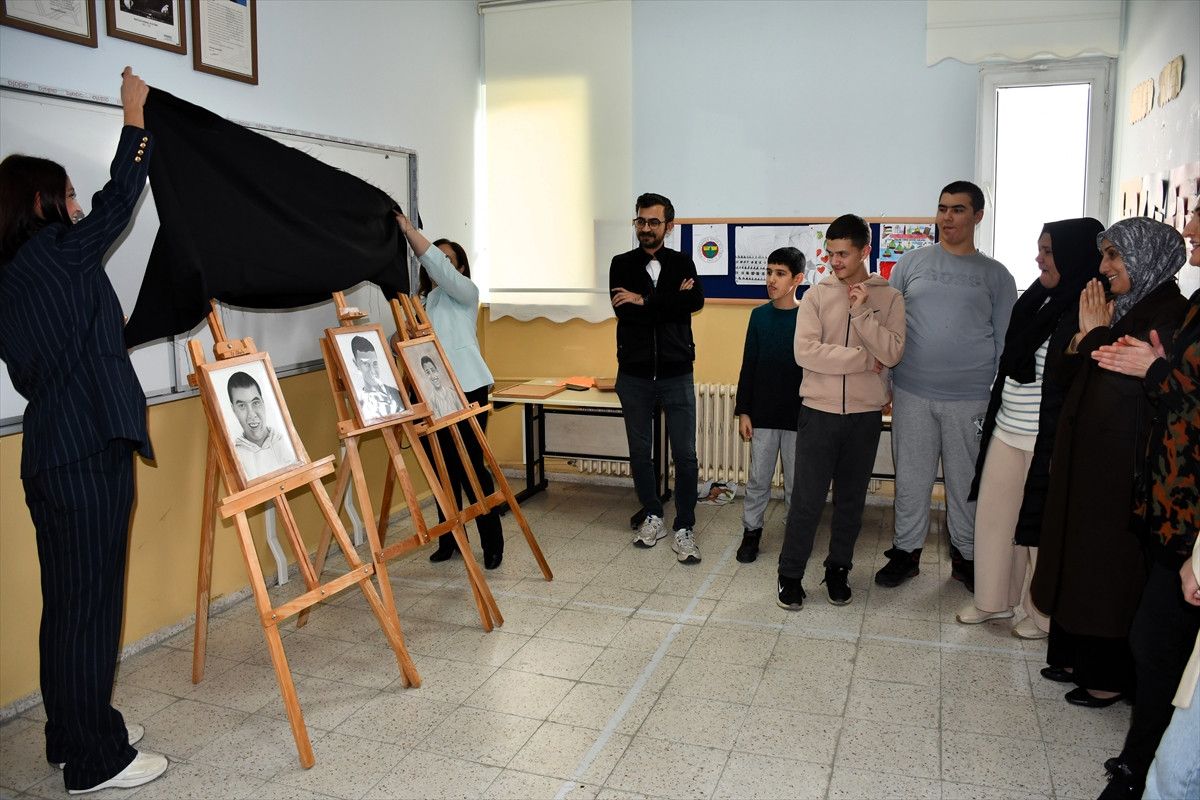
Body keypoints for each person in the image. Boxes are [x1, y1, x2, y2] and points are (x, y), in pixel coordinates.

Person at [0, 67, 168, 794]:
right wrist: (135, 120)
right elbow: (120, 199)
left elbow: (60, 351)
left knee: (70, 605)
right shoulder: (54, 252)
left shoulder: (17, 273)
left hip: (54, 453)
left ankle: (72, 733)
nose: (75, 205)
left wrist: (114, 332)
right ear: (39, 203)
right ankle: (97, 762)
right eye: (63, 193)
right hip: (85, 451)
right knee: (90, 606)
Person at [1030, 217, 1188, 714]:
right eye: (1104, 256)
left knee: (1106, 570)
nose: (1104, 268)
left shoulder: (1168, 314)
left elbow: (1124, 380)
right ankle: (1076, 657)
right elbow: (1067, 368)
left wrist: (1093, 336)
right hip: (1091, 456)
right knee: (1078, 559)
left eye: (1115, 256)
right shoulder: (1129, 306)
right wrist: (1089, 339)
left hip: (1123, 467)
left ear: (1145, 259)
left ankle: (1106, 678)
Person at [1089, 208, 1200, 800]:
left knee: (1157, 644)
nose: (1191, 226)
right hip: (1174, 505)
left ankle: (1150, 770)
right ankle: (1142, 762)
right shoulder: (1192, 310)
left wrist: (1157, 370)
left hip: (1188, 515)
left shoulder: (1176, 309)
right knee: (1156, 643)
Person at [955, 218, 1104, 637]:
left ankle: (1040, 613)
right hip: (1007, 428)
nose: (1039, 258)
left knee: (1039, 528)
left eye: (1049, 251)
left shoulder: (1090, 306)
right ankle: (993, 601)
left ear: (1074, 256)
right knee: (995, 519)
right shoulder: (1036, 298)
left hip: (1048, 437)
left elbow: (1078, 375)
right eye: (1040, 249)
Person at [875, 181, 1017, 589]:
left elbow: (1006, 340)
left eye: (957, 210)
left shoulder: (996, 275)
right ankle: (906, 553)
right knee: (912, 477)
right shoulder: (911, 264)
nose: (947, 218)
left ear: (978, 216)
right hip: (912, 392)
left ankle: (967, 557)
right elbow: (889, 328)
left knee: (964, 482)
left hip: (969, 398)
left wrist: (998, 398)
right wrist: (885, 382)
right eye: (942, 209)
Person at [777, 214, 905, 609]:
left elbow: (893, 352)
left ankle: (838, 570)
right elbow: (806, 353)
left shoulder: (890, 297)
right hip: (818, 412)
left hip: (865, 416)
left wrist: (864, 314)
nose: (835, 261)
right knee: (807, 500)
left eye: (844, 254)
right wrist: (863, 361)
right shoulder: (815, 296)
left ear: (866, 251)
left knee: (851, 501)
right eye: (830, 253)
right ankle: (790, 575)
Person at [395, 213, 504, 569]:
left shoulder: (465, 293)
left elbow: (440, 270)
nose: (440, 266)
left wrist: (411, 232)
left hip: (467, 388)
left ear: (458, 268)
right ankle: (450, 539)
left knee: (469, 465)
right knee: (441, 469)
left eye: (448, 260)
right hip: (430, 394)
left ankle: (492, 540)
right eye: (438, 260)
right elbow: (403, 343)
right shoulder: (422, 303)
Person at [610, 192, 705, 563]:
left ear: (669, 226)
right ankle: (653, 514)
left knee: (685, 453)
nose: (645, 228)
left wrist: (645, 301)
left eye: (653, 222)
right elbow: (624, 312)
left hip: (676, 372)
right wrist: (668, 301)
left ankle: (684, 525)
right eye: (640, 221)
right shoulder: (621, 263)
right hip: (633, 374)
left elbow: (694, 303)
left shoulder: (683, 262)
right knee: (640, 453)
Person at [732, 246, 805, 563]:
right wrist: (744, 410)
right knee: (758, 479)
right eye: (769, 272)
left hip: (799, 416)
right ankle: (752, 533)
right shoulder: (758, 316)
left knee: (797, 483)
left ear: (797, 278)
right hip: (763, 413)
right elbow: (749, 365)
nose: (771, 279)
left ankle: (796, 536)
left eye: (780, 273)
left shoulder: (809, 317)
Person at [227, 371, 296, 479]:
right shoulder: (235, 456)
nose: (252, 414)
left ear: (263, 402)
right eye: (242, 406)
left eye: (255, 403)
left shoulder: (287, 442)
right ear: (233, 410)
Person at [349, 334, 403, 422]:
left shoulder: (396, 394)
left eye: (375, 363)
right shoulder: (359, 401)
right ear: (356, 364)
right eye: (366, 364)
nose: (372, 371)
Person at [420, 353, 463, 418]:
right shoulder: (432, 400)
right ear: (426, 376)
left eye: (433, 370)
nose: (432, 376)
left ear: (437, 371)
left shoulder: (452, 392)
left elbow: (463, 411)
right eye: (428, 373)